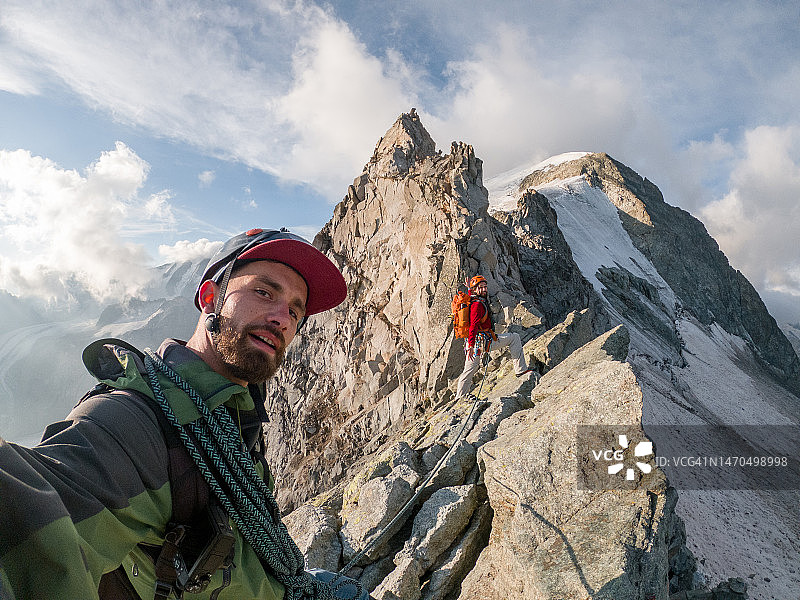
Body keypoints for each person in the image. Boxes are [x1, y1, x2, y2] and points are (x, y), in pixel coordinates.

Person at [0, 228, 369, 600]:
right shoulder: (133, 423)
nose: (282, 319)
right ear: (210, 298)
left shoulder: (236, 415)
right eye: (263, 292)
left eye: (294, 310)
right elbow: (30, 517)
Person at [455, 275, 533, 399]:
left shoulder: (474, 299)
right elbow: (473, 326)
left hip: (480, 341)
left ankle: (460, 396)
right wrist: (470, 345)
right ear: (476, 290)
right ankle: (520, 370)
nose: (484, 289)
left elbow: (474, 321)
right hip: (480, 342)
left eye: (485, 287)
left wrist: (469, 288)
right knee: (514, 338)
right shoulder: (477, 305)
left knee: (470, 368)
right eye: (481, 288)